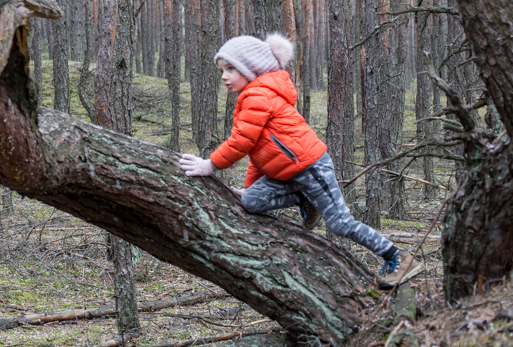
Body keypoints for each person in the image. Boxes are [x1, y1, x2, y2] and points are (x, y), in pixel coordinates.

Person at [178, 34, 422, 290]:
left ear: (252, 68)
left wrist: (210, 164)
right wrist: (250, 186)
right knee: (251, 201)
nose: (224, 76)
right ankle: (305, 199)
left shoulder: (258, 95)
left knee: (340, 223)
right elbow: (257, 153)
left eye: (231, 68)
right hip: (287, 173)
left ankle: (398, 257)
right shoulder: (250, 96)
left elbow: (241, 142)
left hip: (311, 166)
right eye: (222, 70)